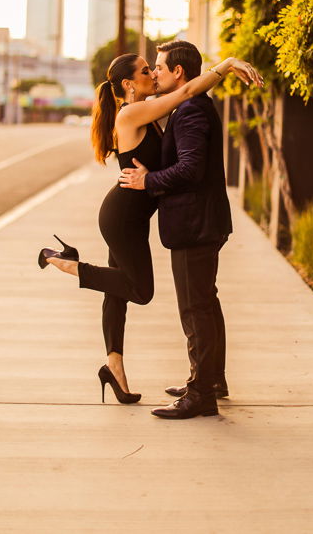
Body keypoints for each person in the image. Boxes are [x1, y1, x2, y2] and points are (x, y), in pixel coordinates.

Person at [39, 50, 262, 406]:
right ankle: (68, 264)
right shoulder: (131, 112)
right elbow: (188, 91)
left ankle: (115, 367)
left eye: (154, 68)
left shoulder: (149, 107)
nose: (153, 75)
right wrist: (227, 64)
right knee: (139, 290)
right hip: (122, 217)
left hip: (131, 215)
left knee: (117, 291)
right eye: (146, 71)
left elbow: (185, 90)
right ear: (128, 84)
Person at [119, 41, 263, 419]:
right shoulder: (189, 107)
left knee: (195, 309)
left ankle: (201, 394)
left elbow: (189, 169)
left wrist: (148, 181)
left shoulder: (189, 111)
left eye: (160, 68)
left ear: (179, 73)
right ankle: (211, 379)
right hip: (201, 221)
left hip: (194, 224)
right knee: (206, 303)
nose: (155, 73)